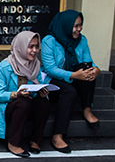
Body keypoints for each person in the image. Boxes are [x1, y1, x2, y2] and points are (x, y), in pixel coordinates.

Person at [40, 10, 101, 154]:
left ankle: (87, 109)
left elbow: (88, 62)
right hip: (53, 80)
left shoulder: (82, 40)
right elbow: (50, 69)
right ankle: (57, 136)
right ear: (66, 25)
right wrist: (73, 75)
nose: (79, 29)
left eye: (80, 25)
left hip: (75, 77)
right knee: (69, 91)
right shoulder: (49, 41)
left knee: (87, 69)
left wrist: (96, 70)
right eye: (75, 26)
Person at [0, 31, 50, 158]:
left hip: (27, 105)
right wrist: (17, 94)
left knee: (43, 102)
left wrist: (41, 92)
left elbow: (37, 85)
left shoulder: (35, 65)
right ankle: (14, 143)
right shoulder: (4, 66)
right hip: (6, 107)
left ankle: (35, 141)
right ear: (21, 47)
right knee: (23, 102)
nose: (34, 50)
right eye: (30, 46)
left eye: (36, 46)